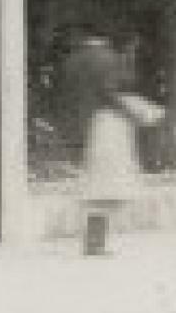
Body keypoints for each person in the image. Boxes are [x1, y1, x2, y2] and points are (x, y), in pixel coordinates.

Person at [66, 29, 160, 255]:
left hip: (80, 125)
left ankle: (94, 242)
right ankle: (95, 242)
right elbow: (110, 94)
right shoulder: (107, 59)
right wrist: (134, 112)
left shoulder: (73, 59)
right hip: (105, 125)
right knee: (105, 184)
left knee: (96, 183)